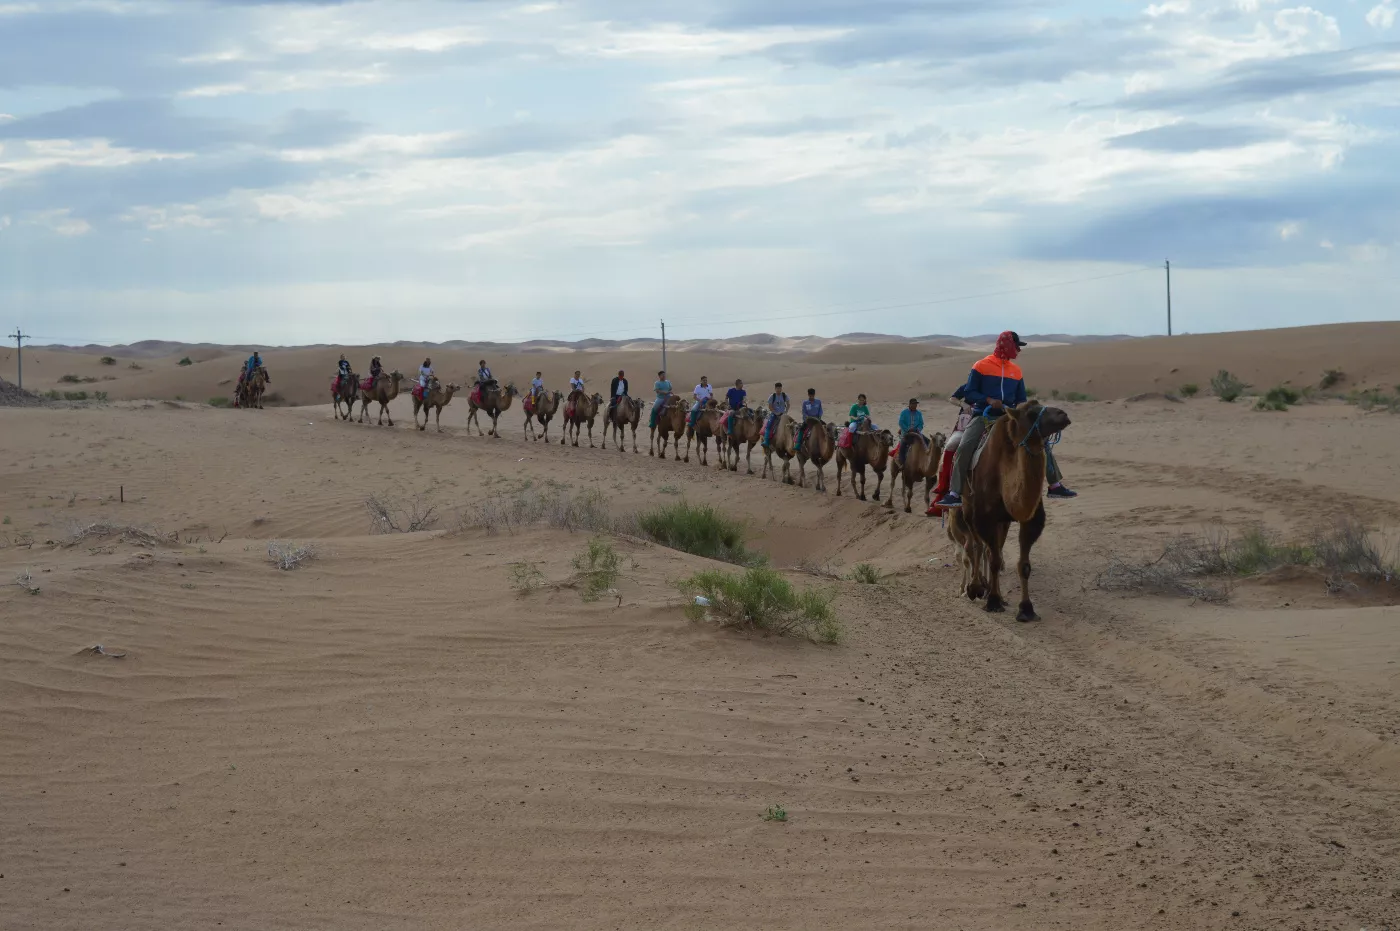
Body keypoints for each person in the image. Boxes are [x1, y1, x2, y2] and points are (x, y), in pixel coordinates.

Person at [937, 331, 1076, 508]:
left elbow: (1021, 399)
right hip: (983, 415)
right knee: (964, 447)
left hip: (1009, 416)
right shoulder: (981, 366)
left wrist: (1024, 411)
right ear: (1007, 345)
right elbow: (970, 392)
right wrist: (988, 400)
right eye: (1016, 346)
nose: (1018, 350)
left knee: (1039, 439)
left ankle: (1055, 485)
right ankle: (954, 493)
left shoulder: (1016, 371)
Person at [896, 397, 924, 466]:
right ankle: (902, 464)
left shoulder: (919, 413)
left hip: (917, 433)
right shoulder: (904, 412)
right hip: (906, 434)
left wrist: (918, 429)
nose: (915, 405)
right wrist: (907, 429)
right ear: (910, 404)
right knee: (902, 447)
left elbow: (921, 423)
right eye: (914, 404)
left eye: (916, 404)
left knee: (927, 442)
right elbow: (901, 422)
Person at [762, 382, 789, 448]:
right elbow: (770, 406)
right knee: (769, 424)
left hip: (783, 414)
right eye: (777, 388)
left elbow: (788, 404)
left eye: (780, 388)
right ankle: (766, 441)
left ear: (781, 388)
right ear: (775, 389)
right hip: (774, 414)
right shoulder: (772, 396)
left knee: (790, 425)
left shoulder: (784, 395)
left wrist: (786, 411)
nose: (778, 390)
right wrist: (775, 413)